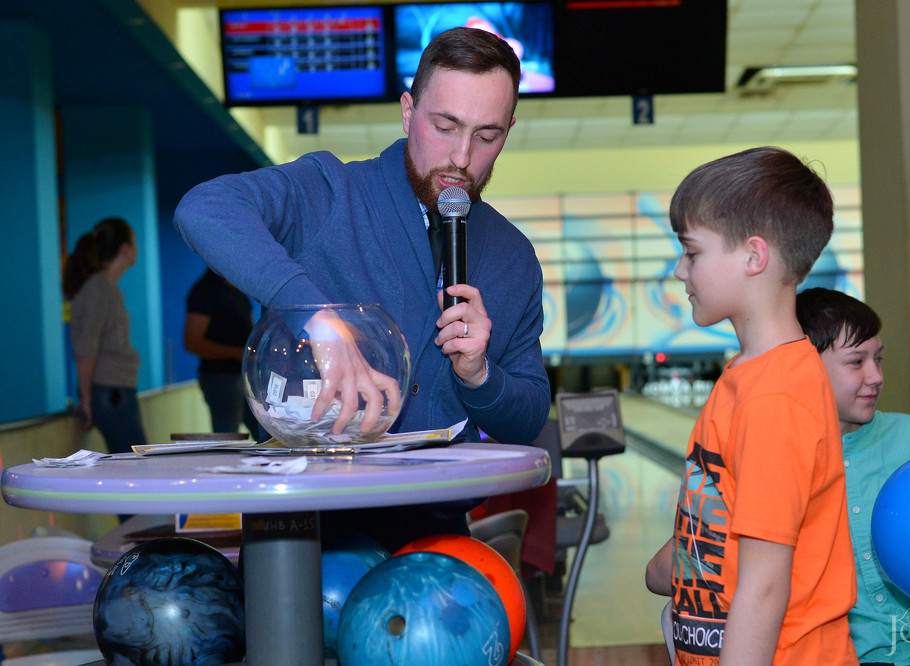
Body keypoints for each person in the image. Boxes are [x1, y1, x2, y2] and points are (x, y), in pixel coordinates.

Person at [173, 27, 549, 549]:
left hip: (434, 533)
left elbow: (529, 417)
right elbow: (205, 210)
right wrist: (315, 314)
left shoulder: (513, 256)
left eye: (486, 136)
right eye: (445, 126)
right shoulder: (328, 191)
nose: (461, 158)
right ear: (407, 111)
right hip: (303, 530)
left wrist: (480, 374)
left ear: (508, 131)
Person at [644, 147, 858, 666]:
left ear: (753, 257)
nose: (678, 270)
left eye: (691, 252)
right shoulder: (749, 375)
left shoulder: (776, 398)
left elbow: (763, 589)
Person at [796, 287, 910, 666]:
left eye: (879, 359)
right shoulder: (777, 457)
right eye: (857, 362)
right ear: (804, 367)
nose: (876, 376)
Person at [62, 217, 148, 456]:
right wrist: (87, 400)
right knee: (135, 463)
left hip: (116, 392)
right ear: (124, 248)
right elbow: (85, 348)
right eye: (135, 241)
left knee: (134, 460)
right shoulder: (98, 288)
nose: (136, 249)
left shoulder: (105, 287)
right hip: (111, 394)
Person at [184, 268, 259, 439]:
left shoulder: (238, 290)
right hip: (221, 377)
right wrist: (236, 353)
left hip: (246, 375)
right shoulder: (205, 291)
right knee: (227, 434)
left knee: (263, 431)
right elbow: (192, 342)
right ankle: (224, 466)